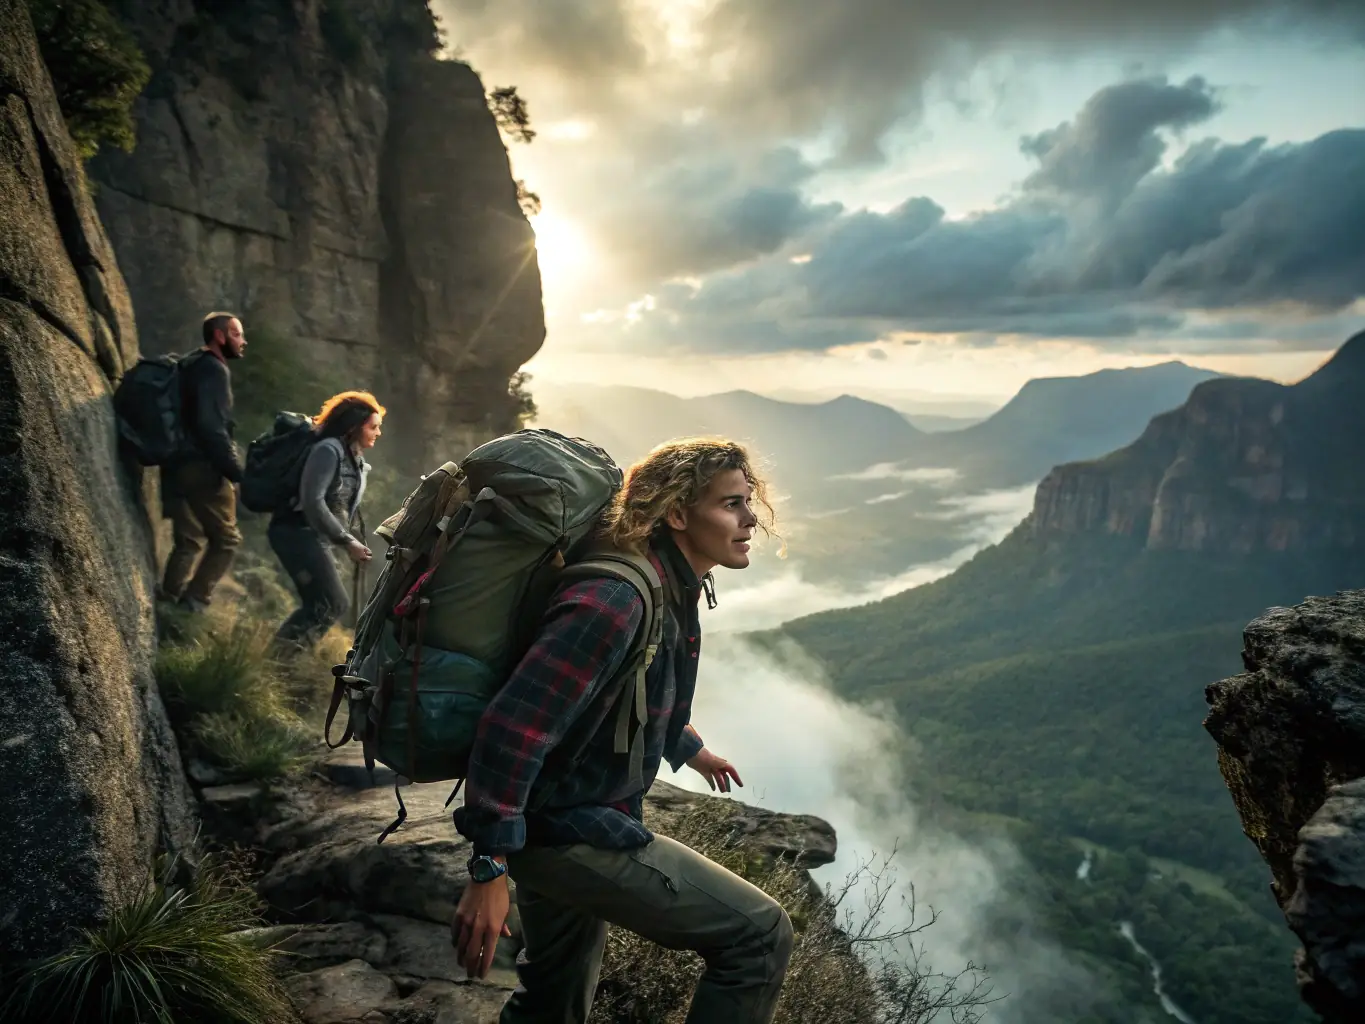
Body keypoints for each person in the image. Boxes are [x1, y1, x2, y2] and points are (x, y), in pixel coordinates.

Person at [452, 438, 794, 1024]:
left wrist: (689, 749)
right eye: (732, 504)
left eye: (750, 502)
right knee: (760, 934)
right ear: (679, 514)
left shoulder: (664, 583)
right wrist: (489, 867)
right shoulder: (616, 600)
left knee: (553, 1005)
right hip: (563, 830)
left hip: (562, 814)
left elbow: (623, 693)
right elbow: (515, 725)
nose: (749, 520)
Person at [268, 391, 384, 649]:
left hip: (315, 537)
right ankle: (281, 660)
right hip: (295, 532)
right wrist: (346, 541)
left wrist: (351, 542)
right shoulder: (327, 450)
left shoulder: (356, 460)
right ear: (354, 427)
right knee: (330, 603)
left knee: (328, 603)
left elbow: (341, 505)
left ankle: (284, 659)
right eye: (373, 427)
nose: (378, 433)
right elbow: (313, 501)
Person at [160, 311, 247, 612]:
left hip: (173, 464)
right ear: (219, 336)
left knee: (189, 539)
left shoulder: (189, 363)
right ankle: (194, 602)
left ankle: (168, 600)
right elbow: (212, 428)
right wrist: (234, 472)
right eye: (236, 334)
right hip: (202, 468)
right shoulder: (214, 369)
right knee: (226, 540)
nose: (242, 341)